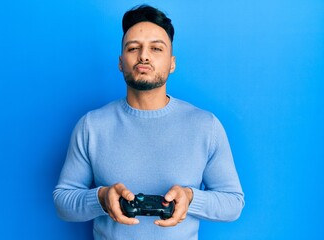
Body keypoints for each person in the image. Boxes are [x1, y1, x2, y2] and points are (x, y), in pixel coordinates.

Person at [53, 4, 244, 240]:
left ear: (172, 63)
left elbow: (233, 203)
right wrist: (101, 198)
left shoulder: (206, 126)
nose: (144, 55)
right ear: (121, 62)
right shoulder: (91, 126)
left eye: (156, 48)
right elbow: (63, 201)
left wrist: (191, 198)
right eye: (133, 48)